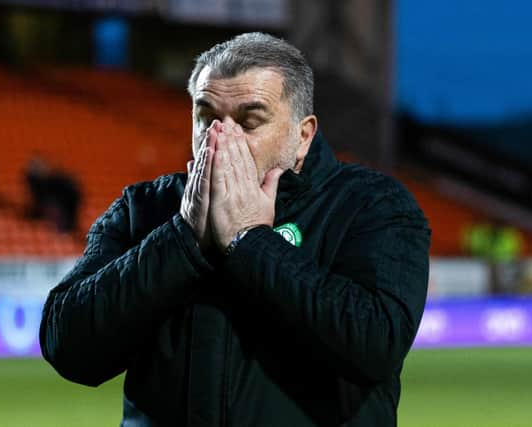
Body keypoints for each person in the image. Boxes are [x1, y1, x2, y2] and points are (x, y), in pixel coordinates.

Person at [40, 33, 430, 426]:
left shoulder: (372, 206)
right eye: (207, 117)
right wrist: (183, 238)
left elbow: (375, 344)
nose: (221, 136)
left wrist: (250, 240)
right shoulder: (143, 208)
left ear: (303, 135)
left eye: (249, 120)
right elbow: (67, 348)